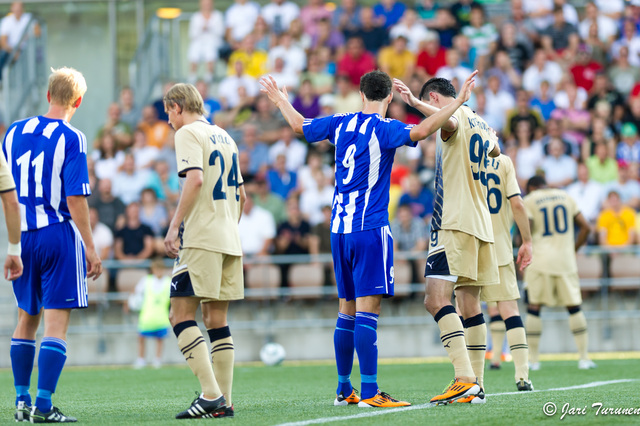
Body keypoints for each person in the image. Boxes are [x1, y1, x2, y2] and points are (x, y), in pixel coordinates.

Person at [260, 69, 477, 407]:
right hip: (370, 229)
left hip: (338, 230)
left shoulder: (341, 122)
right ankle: (372, 392)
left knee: (346, 308)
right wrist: (459, 103)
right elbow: (422, 130)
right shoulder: (386, 128)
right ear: (389, 98)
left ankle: (345, 388)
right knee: (367, 310)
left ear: (361, 95)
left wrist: (280, 99)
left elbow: (299, 126)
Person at [3, 66, 102, 423]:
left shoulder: (13, 132)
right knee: (55, 325)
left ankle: (20, 401)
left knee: (25, 320)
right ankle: (43, 406)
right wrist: (91, 247)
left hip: (23, 236)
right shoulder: (73, 137)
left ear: (48, 95)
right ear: (78, 100)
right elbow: (76, 198)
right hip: (58, 234)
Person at [393, 74, 500, 404]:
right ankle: (478, 385)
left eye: (430, 104)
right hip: (482, 224)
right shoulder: (482, 123)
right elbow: (495, 149)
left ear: (435, 99)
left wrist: (413, 102)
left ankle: (464, 378)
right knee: (469, 304)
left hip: (453, 221)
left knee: (435, 299)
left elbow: (449, 121)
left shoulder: (452, 117)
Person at [163, 83, 246, 419]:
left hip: (201, 237)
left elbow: (194, 179)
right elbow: (241, 194)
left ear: (178, 106)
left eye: (168, 111)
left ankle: (210, 395)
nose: (168, 120)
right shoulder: (225, 136)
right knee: (216, 320)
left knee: (179, 315)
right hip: (229, 237)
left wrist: (174, 225)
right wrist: (227, 225)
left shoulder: (187, 133)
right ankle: (224, 401)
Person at [523, 176, 595, 371]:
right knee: (574, 307)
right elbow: (587, 227)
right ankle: (584, 358)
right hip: (565, 261)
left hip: (540, 261)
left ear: (531, 188)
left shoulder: (529, 200)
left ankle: (534, 360)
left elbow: (525, 234)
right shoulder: (566, 197)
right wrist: (573, 249)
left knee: (534, 307)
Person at [481, 154, 534, 391]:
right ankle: (522, 375)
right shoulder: (503, 162)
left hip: (469, 245)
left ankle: (470, 380)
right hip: (499, 245)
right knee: (510, 311)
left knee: (468, 313)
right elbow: (517, 204)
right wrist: (527, 241)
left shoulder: (459, 156)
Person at [128, 258, 171, 369]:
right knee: (141, 338)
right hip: (147, 316)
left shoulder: (168, 282)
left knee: (159, 339)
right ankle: (141, 359)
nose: (158, 271)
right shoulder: (146, 280)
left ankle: (157, 360)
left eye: (160, 268)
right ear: (152, 269)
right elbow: (136, 293)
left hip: (161, 316)